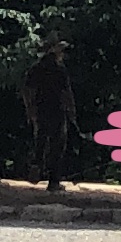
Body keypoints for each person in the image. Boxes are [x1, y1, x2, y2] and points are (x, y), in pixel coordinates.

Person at [27, 37, 76, 190]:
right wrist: (72, 111)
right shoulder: (59, 69)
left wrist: (30, 109)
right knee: (57, 145)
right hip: (57, 110)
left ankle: (36, 165)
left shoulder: (36, 68)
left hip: (41, 108)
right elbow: (66, 93)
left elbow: (28, 91)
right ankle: (53, 180)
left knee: (40, 140)